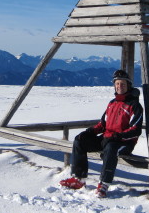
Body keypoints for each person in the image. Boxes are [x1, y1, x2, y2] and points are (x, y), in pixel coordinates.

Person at [59, 69, 144, 198]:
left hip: (124, 143)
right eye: (117, 84)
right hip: (108, 138)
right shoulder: (112, 103)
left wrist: (118, 136)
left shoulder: (134, 106)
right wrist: (90, 131)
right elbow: (103, 124)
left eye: (123, 84)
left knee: (111, 148)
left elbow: (136, 130)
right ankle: (78, 179)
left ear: (128, 86)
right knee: (79, 141)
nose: (119, 86)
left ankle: (104, 184)